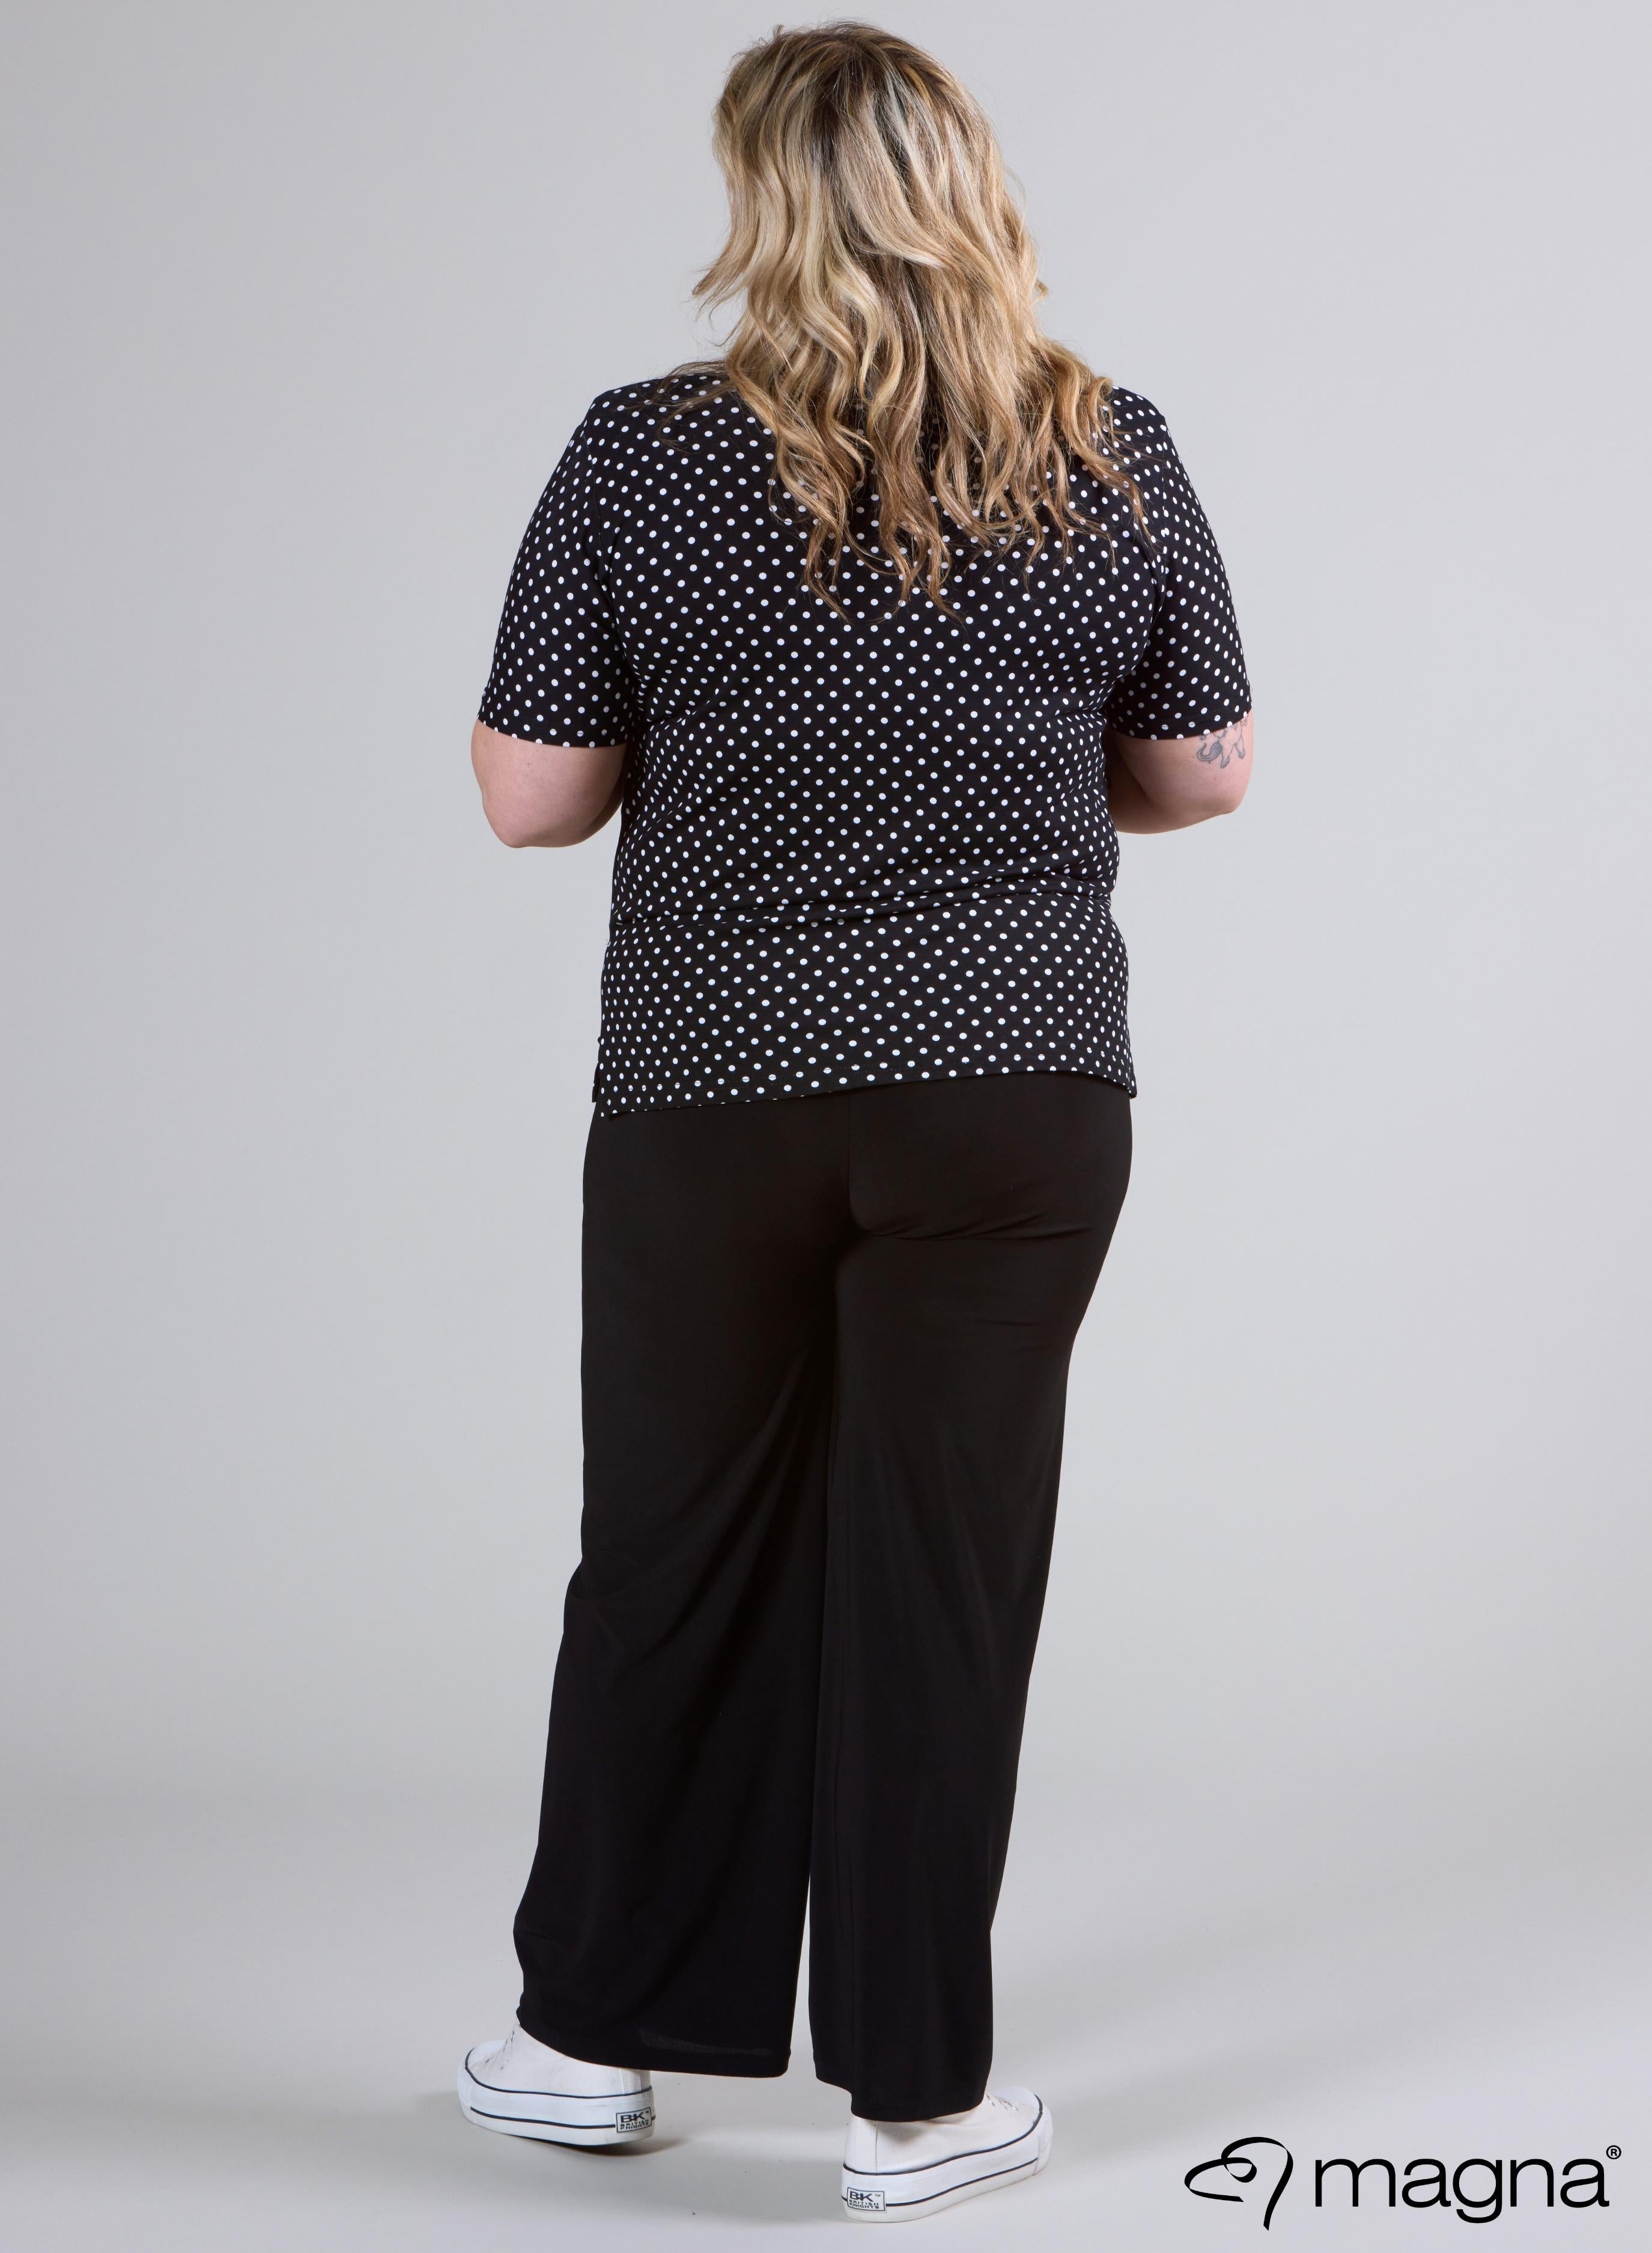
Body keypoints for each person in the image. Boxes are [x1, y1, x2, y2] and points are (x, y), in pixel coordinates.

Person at [457, 19, 1251, 2225]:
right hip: (1014, 1093)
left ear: (761, 200)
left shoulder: (641, 450)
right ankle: (916, 2100)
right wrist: (1009, 762)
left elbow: (531, 797)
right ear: (969, 184)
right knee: (940, 1578)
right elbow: (1202, 770)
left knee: (674, 1546)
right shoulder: (1109, 444)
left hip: (712, 1088)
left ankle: (588, 2041)